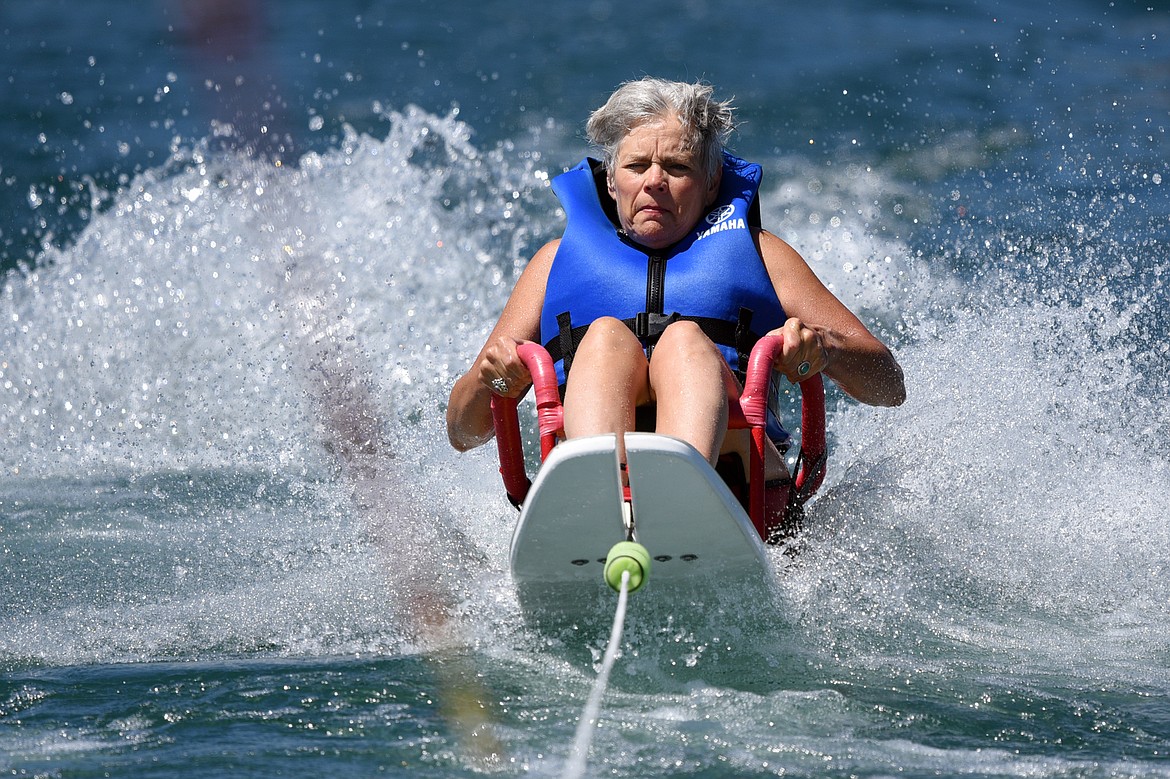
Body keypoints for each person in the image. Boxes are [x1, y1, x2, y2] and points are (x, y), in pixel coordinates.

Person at [446, 77, 905, 540]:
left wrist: (824, 349)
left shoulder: (762, 255)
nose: (655, 182)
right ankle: (605, 506)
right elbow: (462, 433)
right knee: (604, 339)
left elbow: (889, 385)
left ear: (710, 185)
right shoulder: (551, 265)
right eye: (637, 165)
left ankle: (679, 504)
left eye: (678, 167)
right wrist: (499, 379)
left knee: (684, 341)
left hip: (738, 481)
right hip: (595, 484)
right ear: (611, 179)